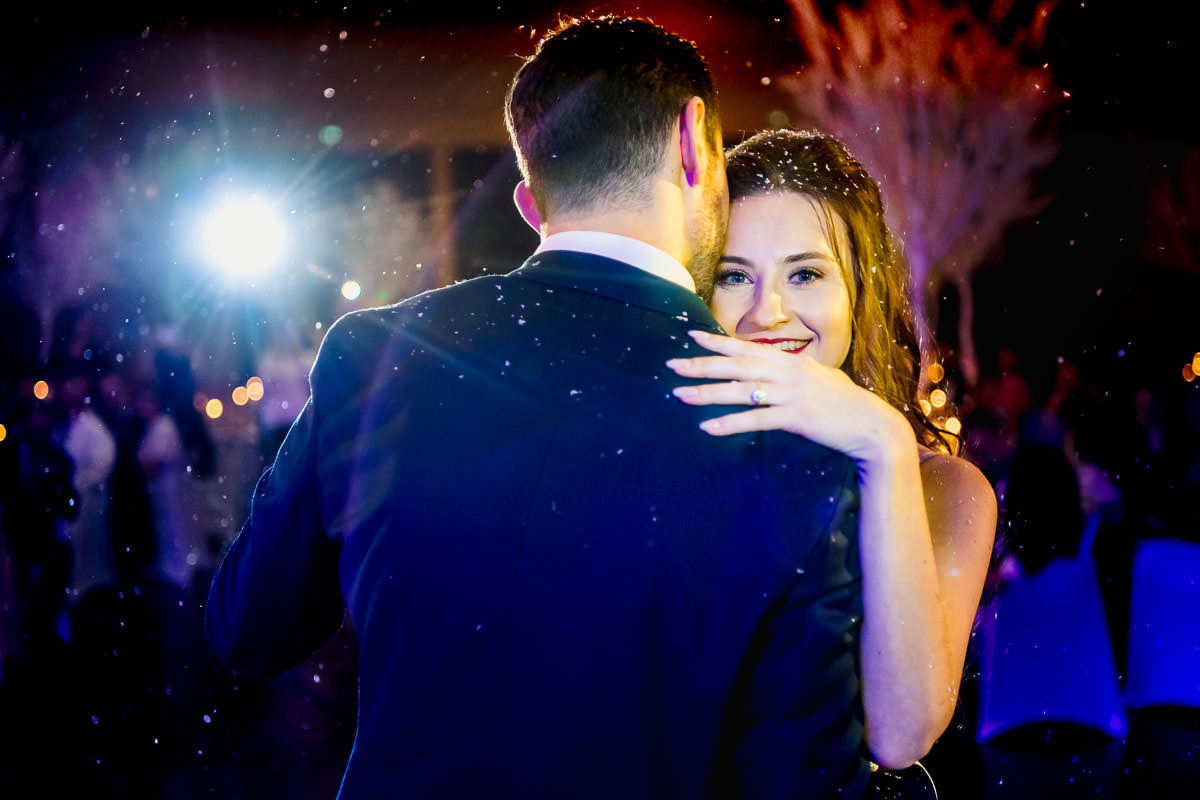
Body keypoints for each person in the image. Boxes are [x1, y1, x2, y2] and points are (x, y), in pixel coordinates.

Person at [208, 17, 877, 799]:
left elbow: (248, 628)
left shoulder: (378, 356)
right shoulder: (786, 438)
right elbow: (802, 780)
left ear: (531, 203)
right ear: (697, 142)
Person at [667, 129, 997, 767]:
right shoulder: (667, 461)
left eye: (807, 273)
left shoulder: (940, 486)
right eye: (735, 275)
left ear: (857, 295)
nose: (769, 313)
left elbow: (900, 733)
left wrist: (883, 444)